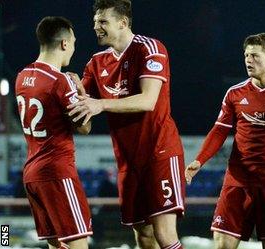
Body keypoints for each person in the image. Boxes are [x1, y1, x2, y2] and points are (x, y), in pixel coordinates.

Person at [67, 0, 185, 248]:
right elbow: (84, 123)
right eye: (95, 22)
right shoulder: (96, 63)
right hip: (128, 162)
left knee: (164, 235)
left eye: (103, 22)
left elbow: (148, 100)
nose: (96, 28)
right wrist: (72, 94)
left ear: (123, 23)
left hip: (159, 153)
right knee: (143, 235)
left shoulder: (150, 48)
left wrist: (100, 104)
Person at [184, 33, 265, 249]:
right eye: (246, 55)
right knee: (223, 244)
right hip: (237, 182)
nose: (248, 60)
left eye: (254, 55)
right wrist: (200, 160)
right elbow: (219, 131)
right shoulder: (235, 93)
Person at [16, 16, 92, 248]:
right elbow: (84, 127)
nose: (74, 48)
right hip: (58, 173)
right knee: (78, 244)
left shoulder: (21, 76)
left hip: (32, 174)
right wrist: (81, 93)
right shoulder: (59, 80)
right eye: (74, 42)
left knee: (56, 246)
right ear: (64, 44)